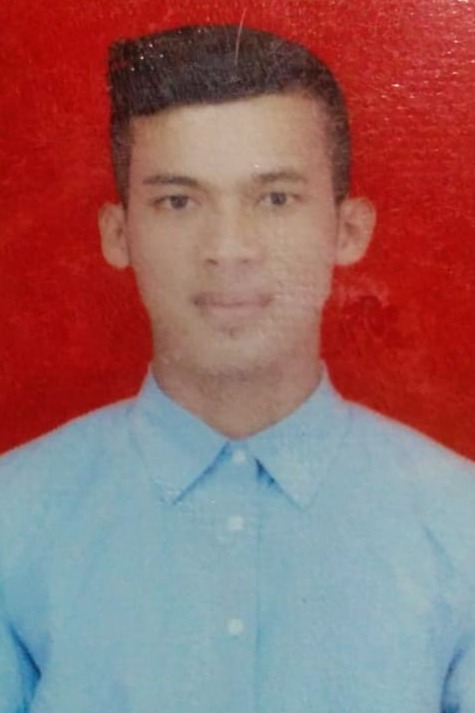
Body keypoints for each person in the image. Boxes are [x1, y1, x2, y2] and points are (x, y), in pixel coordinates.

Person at [0, 24, 474, 713]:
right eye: (178, 201)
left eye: (275, 198)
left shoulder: (461, 520)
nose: (228, 249)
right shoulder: (12, 515)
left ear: (348, 229)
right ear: (118, 233)